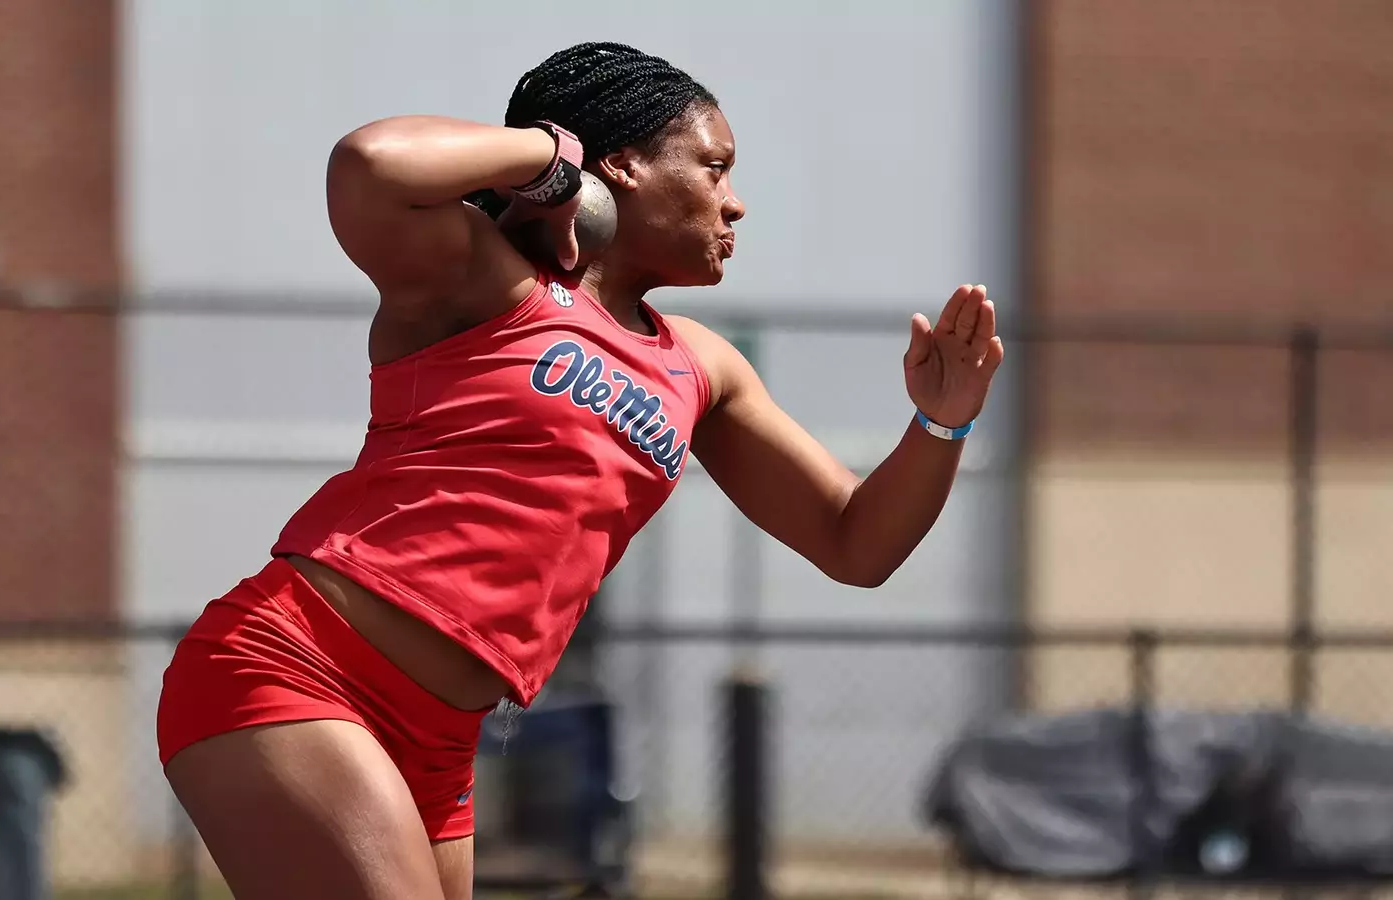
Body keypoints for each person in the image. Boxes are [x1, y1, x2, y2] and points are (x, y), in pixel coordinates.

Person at [156, 41, 1004, 900]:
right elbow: (372, 165)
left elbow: (856, 543)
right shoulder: (482, 276)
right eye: (713, 168)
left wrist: (944, 419)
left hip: (444, 741)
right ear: (625, 167)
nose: (736, 204)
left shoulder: (702, 368)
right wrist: (553, 156)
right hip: (300, 667)